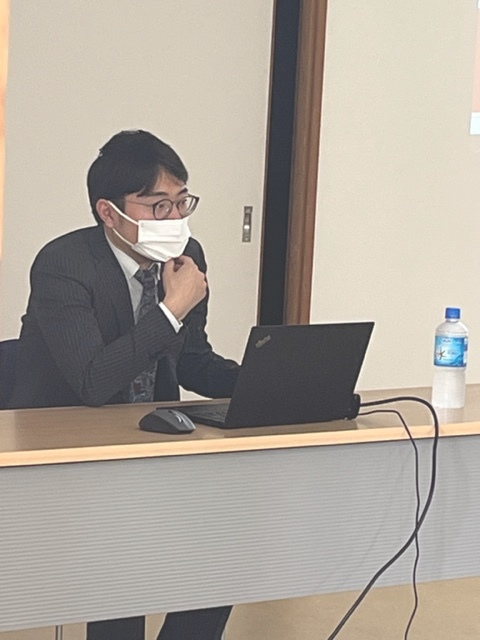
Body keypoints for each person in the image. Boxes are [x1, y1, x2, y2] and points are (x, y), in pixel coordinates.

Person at [9, 130, 240, 640]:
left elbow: (190, 360)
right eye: (158, 206)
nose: (175, 219)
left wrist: (263, 383)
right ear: (109, 213)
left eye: (182, 202)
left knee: (224, 552)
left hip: (148, 448)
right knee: (122, 558)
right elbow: (93, 382)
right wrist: (171, 309)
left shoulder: (188, 255)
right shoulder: (64, 265)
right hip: (65, 457)